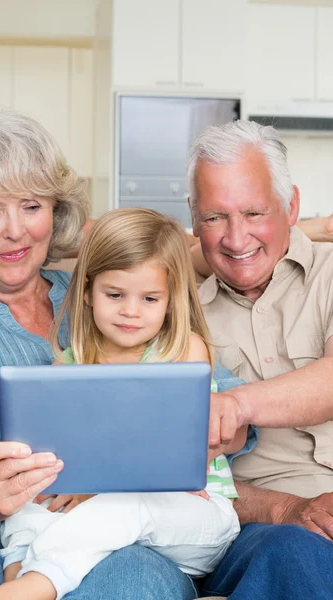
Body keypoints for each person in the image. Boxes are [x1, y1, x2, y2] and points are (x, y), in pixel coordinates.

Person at [0, 110, 247, 600]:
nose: (16, 232)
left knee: (134, 578)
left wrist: (203, 434)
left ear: (55, 209)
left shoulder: (111, 294)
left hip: (121, 535)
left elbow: (229, 409)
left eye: (30, 206)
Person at [0, 207, 243, 600]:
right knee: (28, 502)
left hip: (194, 513)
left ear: (171, 301)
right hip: (101, 518)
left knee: (119, 507)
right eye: (115, 294)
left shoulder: (182, 350)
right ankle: (16, 576)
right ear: (87, 291)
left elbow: (168, 450)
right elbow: (56, 459)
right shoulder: (69, 364)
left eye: (150, 298)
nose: (131, 311)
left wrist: (92, 492)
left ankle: (29, 590)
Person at [188, 120, 333, 599]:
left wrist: (238, 404)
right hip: (260, 525)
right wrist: (285, 509)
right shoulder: (169, 311)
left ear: (290, 205)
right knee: (293, 552)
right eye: (214, 218)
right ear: (192, 218)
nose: (235, 238)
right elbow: (182, 476)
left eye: (254, 212)